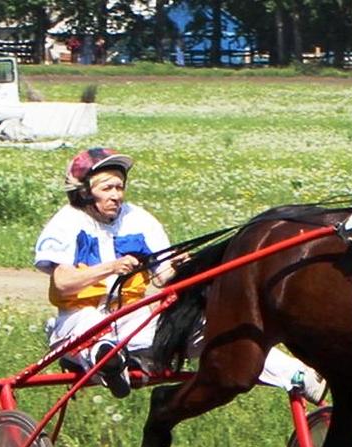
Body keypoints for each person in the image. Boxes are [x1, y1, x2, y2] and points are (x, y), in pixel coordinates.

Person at [34, 147, 325, 401]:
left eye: (120, 187)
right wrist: (110, 268)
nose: (116, 196)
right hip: (78, 318)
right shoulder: (67, 222)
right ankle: (108, 361)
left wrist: (183, 265)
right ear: (84, 191)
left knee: (213, 327)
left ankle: (299, 376)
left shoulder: (139, 219)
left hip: (132, 317)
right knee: (92, 327)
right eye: (107, 189)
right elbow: (62, 283)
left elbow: (163, 278)